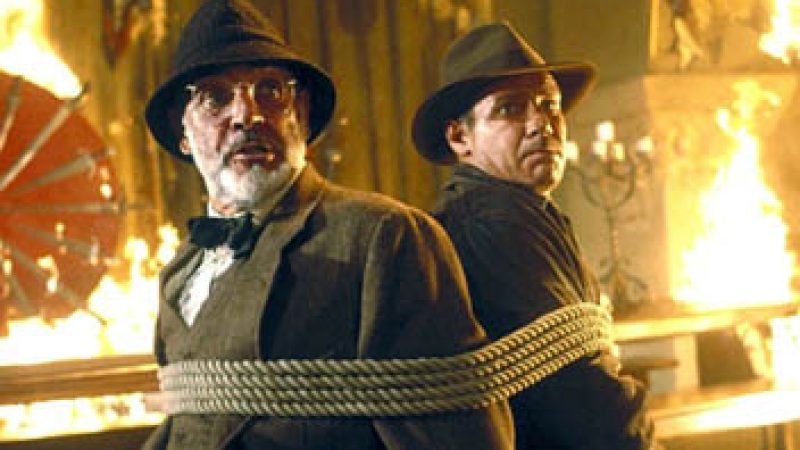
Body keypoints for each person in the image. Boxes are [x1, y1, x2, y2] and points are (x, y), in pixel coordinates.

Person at [140, 1, 514, 449]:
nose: (246, 115)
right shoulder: (180, 272)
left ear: (300, 112)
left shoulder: (382, 235)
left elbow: (458, 431)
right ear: (183, 132)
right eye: (215, 97)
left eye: (270, 91)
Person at [411, 22, 656, 450]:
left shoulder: (521, 211)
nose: (541, 124)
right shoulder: (491, 223)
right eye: (510, 109)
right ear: (460, 137)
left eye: (549, 106)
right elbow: (580, 400)